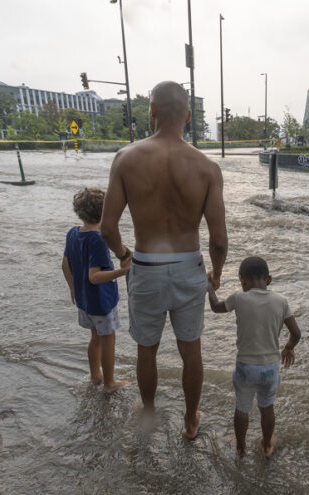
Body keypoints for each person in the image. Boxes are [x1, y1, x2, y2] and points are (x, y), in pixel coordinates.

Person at [100, 81, 228, 439]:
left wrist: (126, 257)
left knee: (147, 349)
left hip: (146, 266)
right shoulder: (206, 168)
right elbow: (219, 239)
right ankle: (190, 421)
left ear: (151, 112)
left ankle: (150, 413)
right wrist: (215, 275)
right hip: (189, 268)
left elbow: (107, 229)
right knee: (191, 351)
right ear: (188, 116)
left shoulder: (126, 159)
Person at [207, 256, 301, 457]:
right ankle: (267, 445)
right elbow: (296, 333)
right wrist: (288, 348)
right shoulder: (281, 301)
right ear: (269, 280)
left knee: (242, 408)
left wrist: (209, 287)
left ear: (242, 281)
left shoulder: (239, 298)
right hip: (270, 367)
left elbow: (216, 307)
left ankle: (241, 447)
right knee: (267, 407)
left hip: (245, 367)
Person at [61, 187, 131, 393]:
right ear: (106, 211)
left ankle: (95, 376)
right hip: (101, 301)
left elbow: (65, 264)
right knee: (108, 338)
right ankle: (110, 383)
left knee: (95, 337)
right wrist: (123, 271)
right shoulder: (99, 239)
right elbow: (95, 276)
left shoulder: (73, 233)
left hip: (84, 300)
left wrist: (73, 289)